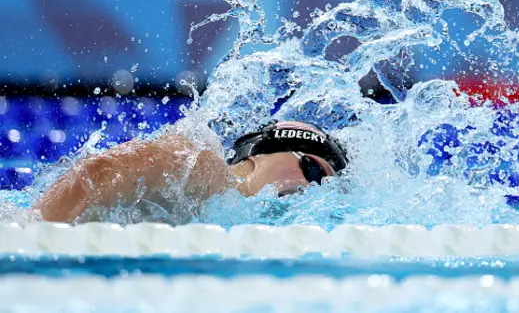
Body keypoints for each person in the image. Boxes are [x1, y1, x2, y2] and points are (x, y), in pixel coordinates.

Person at [34, 121, 348, 223]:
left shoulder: (227, 212)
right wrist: (34, 233)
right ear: (259, 158)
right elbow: (98, 172)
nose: (314, 191)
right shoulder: (203, 171)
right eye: (315, 172)